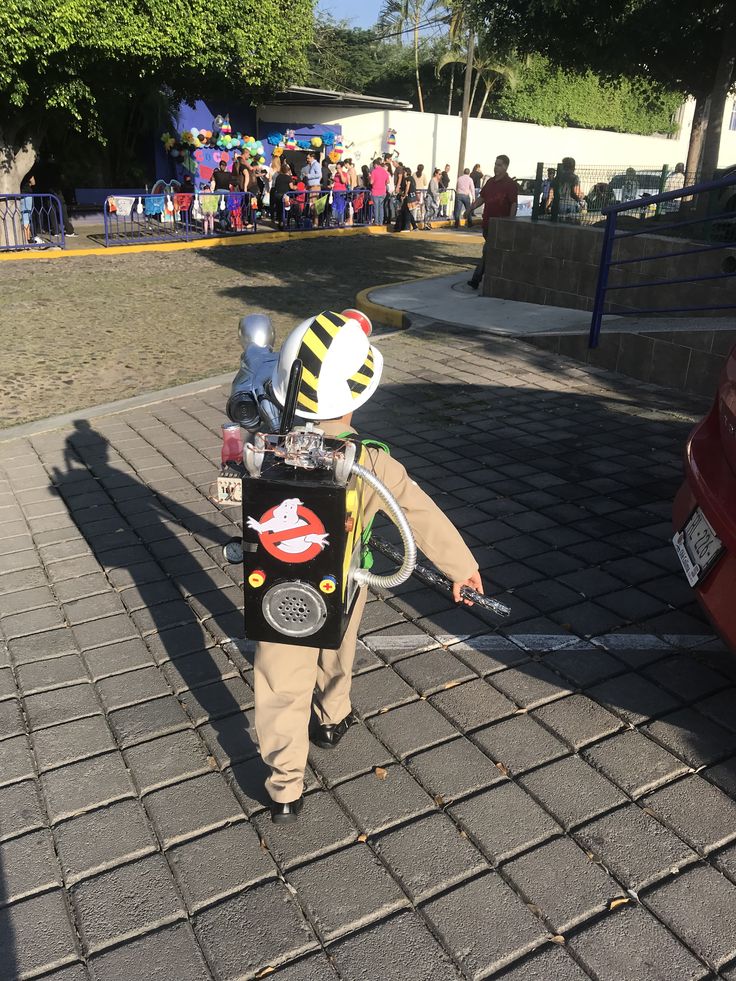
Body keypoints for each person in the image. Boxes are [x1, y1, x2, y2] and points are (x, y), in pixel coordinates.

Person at [253, 311, 484, 821]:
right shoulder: (371, 462)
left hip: (277, 587)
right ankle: (333, 718)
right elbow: (417, 511)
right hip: (348, 581)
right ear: (358, 395)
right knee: (338, 649)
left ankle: (285, 788)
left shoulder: (263, 453)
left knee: (279, 682)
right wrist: (459, 566)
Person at [465, 154, 519, 289]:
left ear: (506, 167)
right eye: (495, 164)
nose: (496, 167)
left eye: (499, 165)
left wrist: (510, 222)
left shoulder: (510, 185)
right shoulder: (490, 182)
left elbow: (513, 204)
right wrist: (470, 209)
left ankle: (476, 279)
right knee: (491, 252)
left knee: (488, 251)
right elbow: (482, 198)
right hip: (487, 224)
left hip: (501, 225)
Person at [394, 166, 418, 232]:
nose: (403, 174)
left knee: (407, 212)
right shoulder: (412, 178)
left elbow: (407, 187)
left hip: (409, 197)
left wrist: (404, 195)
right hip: (412, 197)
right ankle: (414, 226)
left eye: (404, 172)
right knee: (407, 212)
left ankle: (407, 227)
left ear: (407, 172)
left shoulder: (408, 179)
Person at [370, 157, 390, 226]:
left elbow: (371, 182)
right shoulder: (385, 171)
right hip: (383, 192)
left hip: (375, 191)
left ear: (375, 164)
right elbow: (388, 182)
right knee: (381, 207)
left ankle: (376, 221)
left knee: (376, 207)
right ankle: (381, 222)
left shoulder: (374, 171)